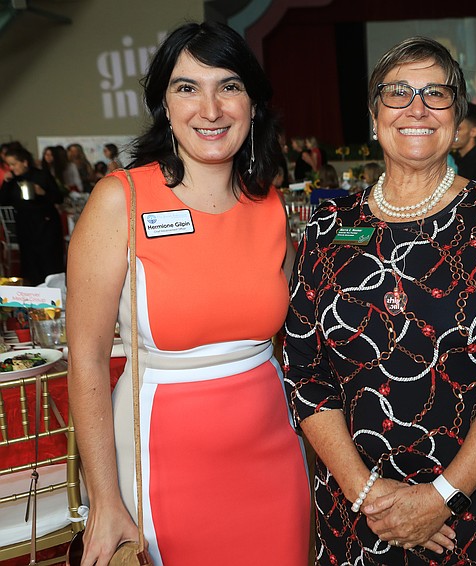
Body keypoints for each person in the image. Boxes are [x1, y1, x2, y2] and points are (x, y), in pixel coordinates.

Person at [283, 36, 476, 565]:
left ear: (459, 117)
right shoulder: (331, 226)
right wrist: (369, 495)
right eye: (398, 93)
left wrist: (440, 497)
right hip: (356, 515)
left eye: (436, 94)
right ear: (373, 111)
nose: (417, 108)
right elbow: (303, 370)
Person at [66, 21, 308, 566]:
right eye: (187, 87)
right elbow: (84, 359)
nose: (211, 108)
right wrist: (104, 500)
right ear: (164, 106)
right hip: (162, 466)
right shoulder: (119, 200)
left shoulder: (267, 203)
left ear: (252, 102)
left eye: (229, 86)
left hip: (274, 461)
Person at [0, 144, 65, 285]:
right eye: (9, 165)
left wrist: (42, 193)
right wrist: (6, 182)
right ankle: (33, 294)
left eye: (14, 164)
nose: (12, 168)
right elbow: (2, 201)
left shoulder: (41, 175)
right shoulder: (12, 181)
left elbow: (59, 197)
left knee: (49, 259)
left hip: (45, 223)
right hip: (24, 223)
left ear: (24, 162)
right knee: (29, 260)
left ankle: (54, 293)